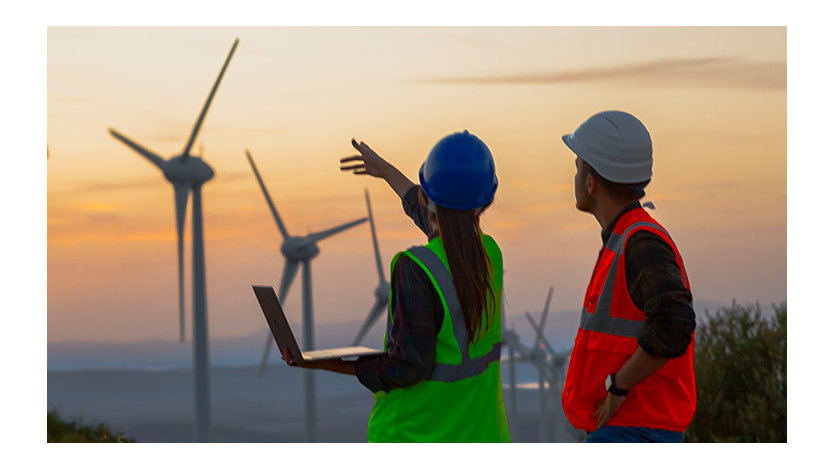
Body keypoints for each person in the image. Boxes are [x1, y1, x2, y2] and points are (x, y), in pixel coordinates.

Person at [281, 130, 511, 442]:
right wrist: (385, 170)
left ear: (427, 199)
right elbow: (446, 220)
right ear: (485, 202)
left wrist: (325, 363)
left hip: (416, 435)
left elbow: (406, 368)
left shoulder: (417, 269)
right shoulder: (490, 256)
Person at [559, 110, 697, 443]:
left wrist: (618, 387)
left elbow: (675, 322)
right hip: (631, 428)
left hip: (636, 429)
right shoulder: (627, 237)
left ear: (591, 183)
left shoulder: (640, 242)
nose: (575, 177)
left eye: (578, 168)